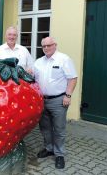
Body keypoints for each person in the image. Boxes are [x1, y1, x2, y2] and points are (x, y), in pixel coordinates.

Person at [33, 37, 77, 169]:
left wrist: (68, 95)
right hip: (42, 100)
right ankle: (49, 148)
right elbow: (32, 76)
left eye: (49, 45)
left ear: (55, 45)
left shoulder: (64, 59)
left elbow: (72, 78)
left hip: (59, 100)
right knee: (45, 127)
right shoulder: (38, 62)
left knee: (59, 128)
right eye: (44, 46)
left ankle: (59, 154)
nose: (46, 48)